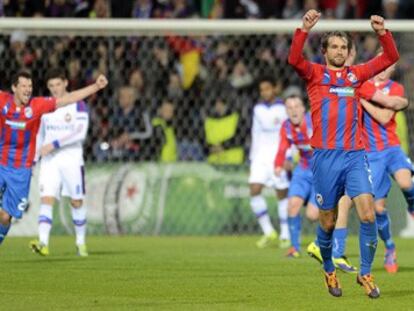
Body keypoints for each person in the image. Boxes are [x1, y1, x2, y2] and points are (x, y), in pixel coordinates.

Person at [288, 9, 399, 298]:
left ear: (349, 52)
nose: (339, 51)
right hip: (325, 158)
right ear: (324, 51)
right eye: (334, 46)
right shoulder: (315, 74)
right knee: (326, 221)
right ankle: (328, 266)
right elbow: (293, 60)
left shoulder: (355, 75)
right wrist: (304, 30)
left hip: (354, 155)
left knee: (367, 214)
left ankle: (365, 272)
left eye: (343, 47)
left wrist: (382, 33)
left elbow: (389, 58)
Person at [0, 70, 107, 251]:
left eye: (30, 86)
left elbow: (70, 98)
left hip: (21, 171)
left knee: (4, 217)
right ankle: (44, 242)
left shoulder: (37, 106)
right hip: (1, 163)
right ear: (14, 88)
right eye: (24, 86)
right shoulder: (3, 100)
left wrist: (96, 86)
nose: (28, 90)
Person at [29, 68, 91, 257]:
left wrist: (54, 143)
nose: (55, 89)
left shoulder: (78, 105)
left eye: (58, 84)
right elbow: (39, 135)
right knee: (46, 199)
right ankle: (43, 243)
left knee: (76, 201)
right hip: (50, 161)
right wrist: (34, 159)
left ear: (65, 83)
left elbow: (80, 132)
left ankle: (81, 243)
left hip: (71, 159)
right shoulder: (45, 107)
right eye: (51, 86)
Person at [274, 95, 318, 258]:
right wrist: (278, 164)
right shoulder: (286, 127)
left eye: (296, 106)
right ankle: (294, 248)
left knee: (312, 215)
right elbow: (282, 147)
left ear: (303, 109)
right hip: (303, 169)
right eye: (289, 108)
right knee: (292, 205)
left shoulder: (314, 122)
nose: (293, 110)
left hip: (321, 171)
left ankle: (328, 237)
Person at [249, 76, 290, 249]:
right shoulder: (257, 109)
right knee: (254, 190)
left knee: (281, 193)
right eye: (262, 90)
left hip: (278, 154)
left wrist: (288, 156)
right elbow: (255, 133)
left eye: (267, 88)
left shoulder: (284, 108)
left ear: (275, 88)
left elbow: (289, 133)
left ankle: (285, 234)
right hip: (260, 156)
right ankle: (268, 231)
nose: (265, 92)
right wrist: (252, 157)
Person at [204, 98, 245, 165]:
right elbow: (204, 141)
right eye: (216, 104)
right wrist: (211, 148)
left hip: (233, 160)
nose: (218, 106)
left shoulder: (236, 118)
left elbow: (240, 137)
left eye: (221, 103)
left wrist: (222, 146)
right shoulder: (209, 121)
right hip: (214, 161)